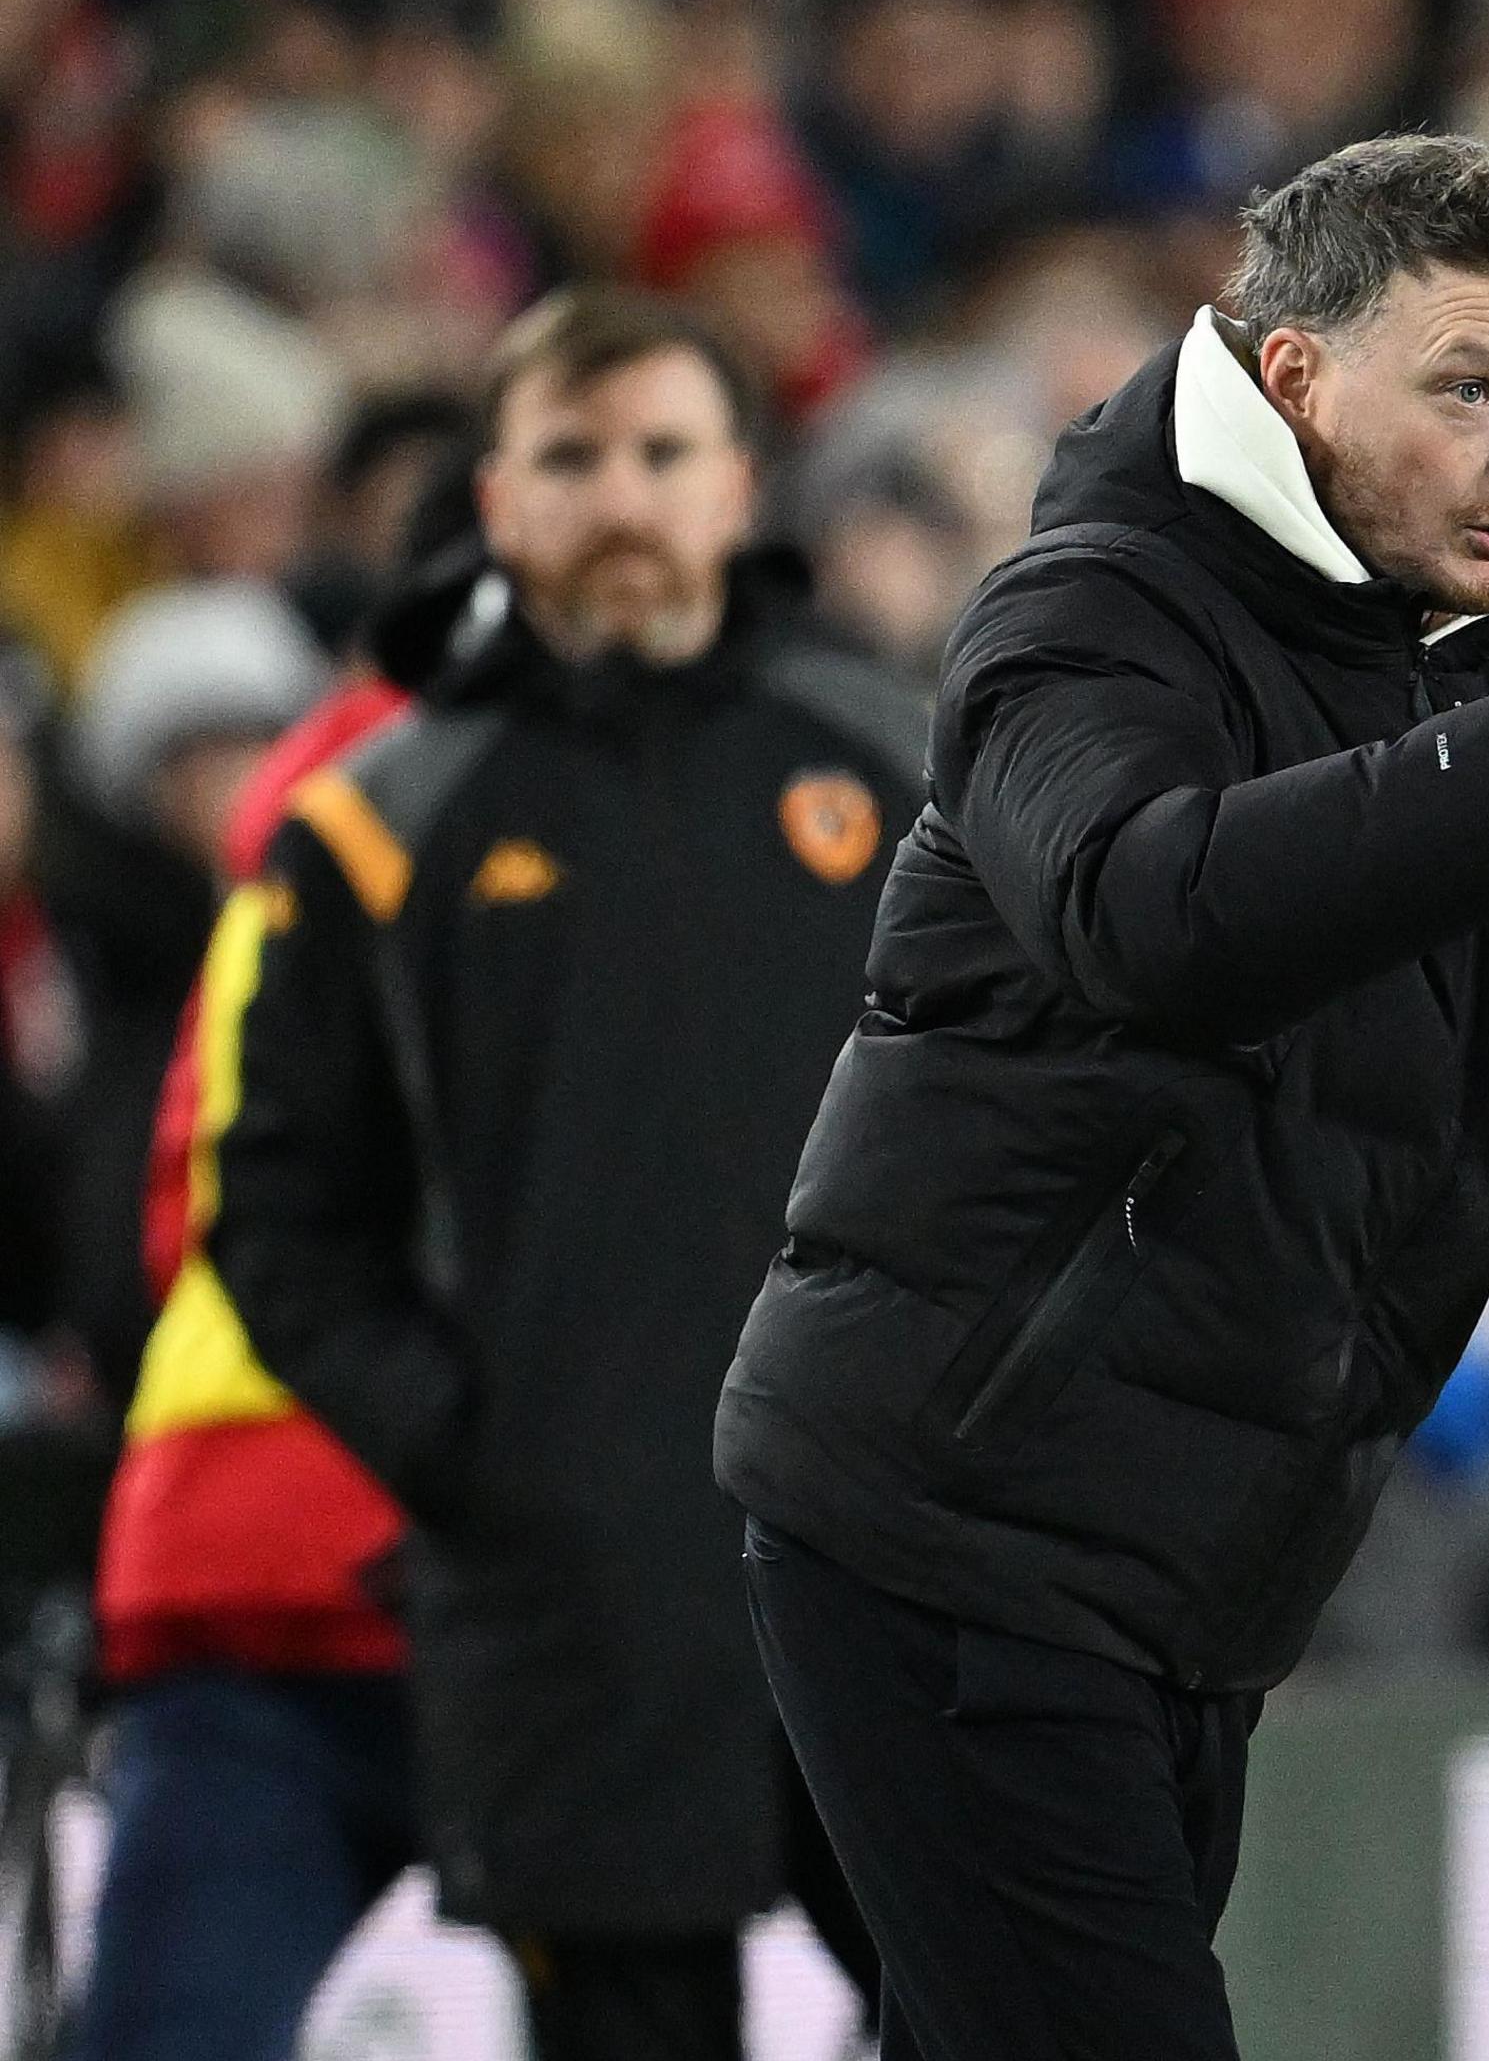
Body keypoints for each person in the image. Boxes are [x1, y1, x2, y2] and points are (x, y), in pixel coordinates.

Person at [715, 133, 1489, 2060]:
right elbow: (1151, 912)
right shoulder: (1087, 612)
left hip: (1190, 1593)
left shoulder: (1483, 702)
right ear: (1298, 377)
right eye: (1471, 391)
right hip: (953, 1530)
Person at [206, 287, 908, 2060]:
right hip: (575, 1607)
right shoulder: (377, 821)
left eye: (664, 453)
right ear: (498, 501)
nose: (622, 499)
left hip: (902, 1566)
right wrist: (476, 1452)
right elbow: (277, 1212)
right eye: (572, 458)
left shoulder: (904, 763)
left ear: (739, 485)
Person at [74, 471, 428, 2061]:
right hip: (546, 1579)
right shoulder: (678, 814)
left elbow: (167, 1235)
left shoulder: (290, 845)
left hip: (234, 1557)